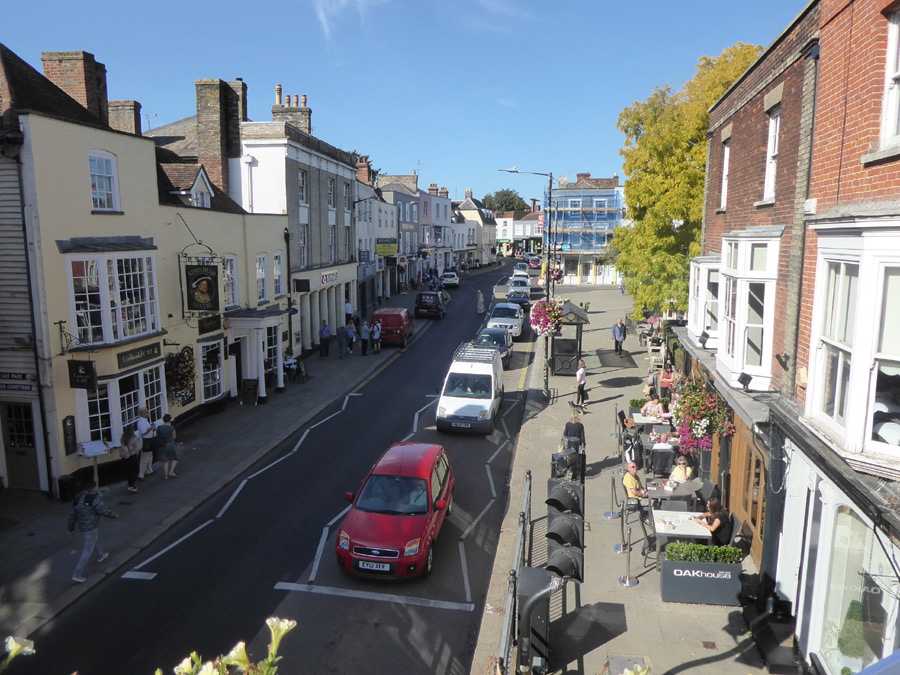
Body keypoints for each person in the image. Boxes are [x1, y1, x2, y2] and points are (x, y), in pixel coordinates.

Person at [68, 480, 119, 583]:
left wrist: (71, 528)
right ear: (93, 488)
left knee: (93, 541)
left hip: (83, 526)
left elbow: (72, 515)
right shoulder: (93, 499)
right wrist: (114, 515)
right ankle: (77, 573)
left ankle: (99, 555)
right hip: (91, 527)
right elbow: (103, 510)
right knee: (87, 549)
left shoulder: (77, 499)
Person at [562, 410, 587, 482]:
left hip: (570, 444)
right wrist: (584, 444)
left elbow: (565, 434)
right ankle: (580, 468)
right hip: (578, 444)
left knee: (570, 457)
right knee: (579, 456)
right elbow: (582, 436)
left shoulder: (568, 424)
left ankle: (570, 469)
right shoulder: (580, 425)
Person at [119, 424, 141, 493]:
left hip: (125, 457)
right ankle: (132, 486)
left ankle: (130, 485)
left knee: (129, 471)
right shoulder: (134, 438)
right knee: (135, 471)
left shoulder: (122, 438)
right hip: (132, 456)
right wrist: (137, 456)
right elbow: (137, 449)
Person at [156, 413, 179, 479]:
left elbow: (158, 436)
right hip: (170, 444)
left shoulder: (159, 428)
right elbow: (174, 437)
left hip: (162, 445)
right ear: (170, 420)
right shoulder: (171, 428)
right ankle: (171, 472)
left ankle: (166, 476)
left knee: (166, 461)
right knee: (175, 459)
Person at [136, 407, 156, 480]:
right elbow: (144, 433)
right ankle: (141, 475)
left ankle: (149, 470)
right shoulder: (141, 422)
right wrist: (152, 427)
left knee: (150, 456)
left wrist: (151, 427)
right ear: (143, 414)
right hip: (145, 441)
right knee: (144, 458)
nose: (149, 413)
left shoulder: (145, 421)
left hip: (149, 440)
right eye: (147, 412)